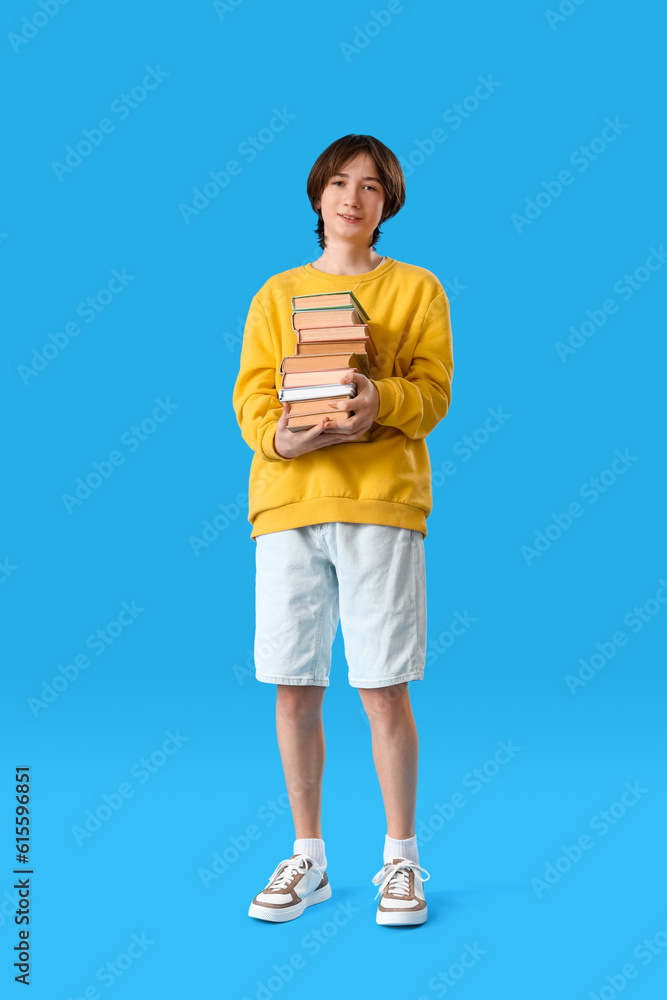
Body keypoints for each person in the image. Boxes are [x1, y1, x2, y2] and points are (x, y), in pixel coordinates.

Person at [232, 133, 454, 926]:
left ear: (387, 203)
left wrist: (378, 403)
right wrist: (280, 436)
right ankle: (309, 857)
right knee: (293, 688)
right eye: (337, 182)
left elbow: (431, 391)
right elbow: (253, 393)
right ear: (316, 196)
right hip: (288, 507)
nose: (351, 198)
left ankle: (401, 859)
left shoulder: (418, 289)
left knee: (381, 686)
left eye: (369, 186)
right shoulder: (277, 294)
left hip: (379, 506)